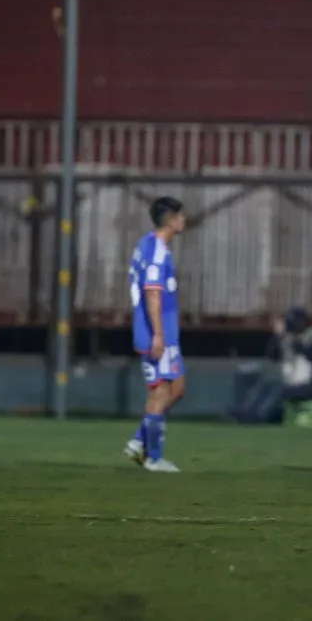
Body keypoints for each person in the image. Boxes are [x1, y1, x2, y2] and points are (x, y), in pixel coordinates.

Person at [125, 197, 188, 472]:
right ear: (171, 219)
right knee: (161, 391)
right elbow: (152, 294)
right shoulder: (157, 253)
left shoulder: (147, 244)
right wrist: (158, 336)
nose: (184, 220)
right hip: (157, 332)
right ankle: (152, 456)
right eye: (181, 216)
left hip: (164, 332)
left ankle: (140, 440)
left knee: (176, 388)